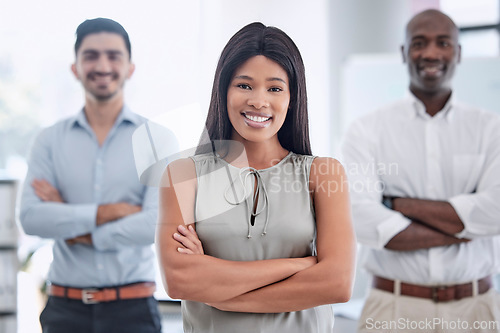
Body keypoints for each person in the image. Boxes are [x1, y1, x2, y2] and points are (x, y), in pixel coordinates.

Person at [157, 22, 356, 333]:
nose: (259, 101)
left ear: (292, 98)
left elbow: (337, 282)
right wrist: (301, 265)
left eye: (274, 88)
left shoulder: (323, 173)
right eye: (244, 85)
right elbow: (180, 280)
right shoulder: (184, 175)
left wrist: (219, 292)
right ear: (223, 91)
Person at [341, 9, 500, 333]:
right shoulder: (366, 130)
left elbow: (496, 211)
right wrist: (465, 225)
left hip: (476, 309)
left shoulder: (491, 129)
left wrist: (398, 205)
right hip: (392, 308)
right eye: (419, 43)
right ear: (403, 52)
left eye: (443, 43)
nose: (430, 53)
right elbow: (361, 219)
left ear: (458, 52)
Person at [20, 18, 177, 333]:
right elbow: (32, 218)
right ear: (75, 67)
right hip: (64, 312)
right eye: (91, 55)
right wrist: (111, 212)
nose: (102, 65)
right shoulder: (49, 140)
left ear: (130, 67)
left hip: (133, 311)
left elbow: (154, 224)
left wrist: (74, 225)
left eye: (113, 55)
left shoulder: (156, 139)